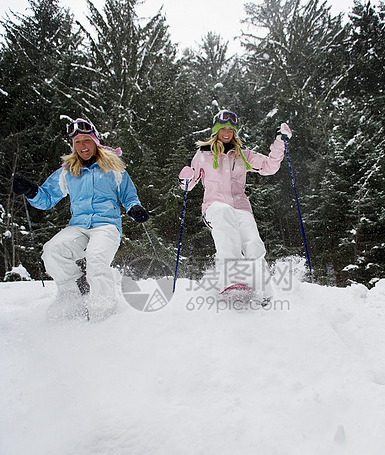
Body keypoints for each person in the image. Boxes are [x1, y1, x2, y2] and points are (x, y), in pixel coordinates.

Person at [13, 118, 149, 321]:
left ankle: (103, 314)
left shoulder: (114, 169)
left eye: (86, 140)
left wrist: (134, 208)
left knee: (96, 259)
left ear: (95, 141)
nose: (82, 146)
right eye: (77, 142)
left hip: (107, 226)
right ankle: (75, 294)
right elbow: (47, 198)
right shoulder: (67, 171)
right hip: (78, 226)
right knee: (52, 251)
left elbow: (129, 196)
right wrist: (31, 191)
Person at [179, 110, 291, 304]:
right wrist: (185, 178)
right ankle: (231, 279)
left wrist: (280, 143)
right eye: (223, 128)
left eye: (231, 129)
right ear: (216, 130)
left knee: (252, 241)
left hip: (240, 206)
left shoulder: (242, 155)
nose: (227, 132)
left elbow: (269, 166)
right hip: (214, 205)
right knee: (225, 219)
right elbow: (189, 184)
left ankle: (263, 288)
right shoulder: (203, 154)